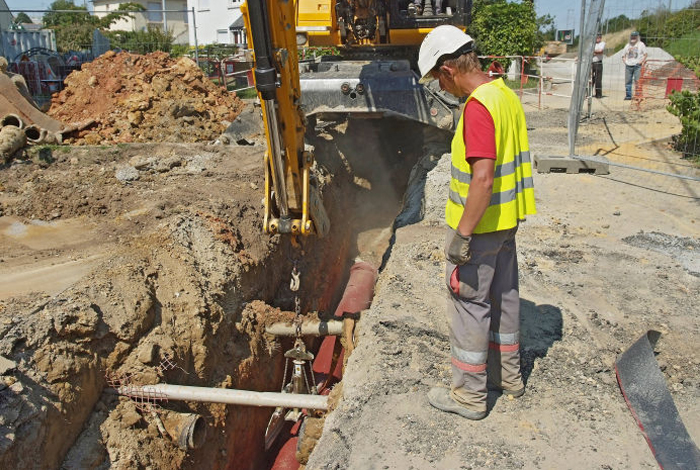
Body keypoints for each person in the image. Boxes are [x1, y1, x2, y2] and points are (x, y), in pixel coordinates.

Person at [416, 25, 537, 420]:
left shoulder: (477, 107)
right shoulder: (504, 95)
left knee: (469, 305)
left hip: (479, 231)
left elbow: (482, 179)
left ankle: (469, 396)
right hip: (506, 225)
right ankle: (508, 378)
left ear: (448, 70)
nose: (441, 88)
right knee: (505, 299)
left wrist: (461, 236)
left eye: (438, 79)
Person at [621, 31, 647, 100]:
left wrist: (641, 61)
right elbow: (623, 55)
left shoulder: (641, 44)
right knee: (628, 81)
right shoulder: (627, 45)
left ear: (637, 37)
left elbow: (645, 54)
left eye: (635, 36)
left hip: (637, 65)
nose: (633, 37)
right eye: (632, 36)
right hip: (628, 66)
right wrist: (625, 62)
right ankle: (628, 95)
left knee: (637, 81)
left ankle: (638, 95)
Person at [592, 33, 605, 98]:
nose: (598, 38)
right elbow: (588, 51)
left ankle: (598, 94)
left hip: (598, 63)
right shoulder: (592, 44)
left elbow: (600, 51)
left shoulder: (602, 43)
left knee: (598, 79)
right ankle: (588, 93)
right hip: (591, 63)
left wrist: (593, 52)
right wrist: (595, 52)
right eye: (597, 37)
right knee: (590, 79)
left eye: (599, 37)